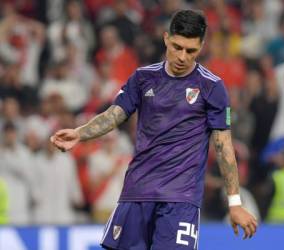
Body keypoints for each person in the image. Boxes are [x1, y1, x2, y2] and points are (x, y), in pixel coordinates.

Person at [51, 10, 257, 250]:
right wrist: (79, 133)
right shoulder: (142, 78)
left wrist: (234, 202)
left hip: (180, 199)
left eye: (191, 51)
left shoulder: (212, 87)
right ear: (166, 38)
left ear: (201, 47)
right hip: (137, 192)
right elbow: (114, 115)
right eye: (177, 47)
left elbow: (223, 146)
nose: (182, 56)